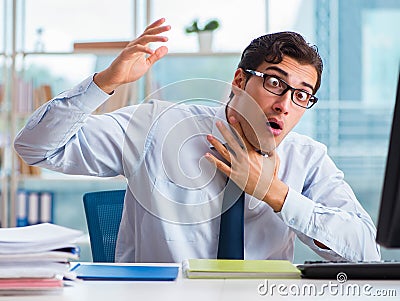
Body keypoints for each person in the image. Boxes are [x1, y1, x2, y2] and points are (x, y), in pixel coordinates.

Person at [14, 18, 380, 263]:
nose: (284, 105)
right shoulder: (157, 127)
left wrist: (274, 193)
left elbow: (365, 251)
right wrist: (106, 82)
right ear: (239, 80)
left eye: (301, 95)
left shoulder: (308, 159)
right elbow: (36, 146)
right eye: (274, 83)